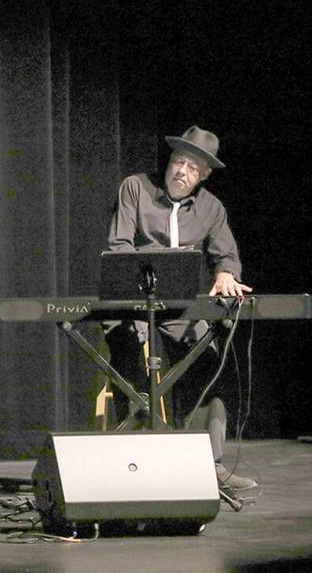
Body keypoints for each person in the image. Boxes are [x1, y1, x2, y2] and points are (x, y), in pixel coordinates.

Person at [104, 125, 257, 492]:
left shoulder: (211, 208)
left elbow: (226, 256)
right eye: (179, 161)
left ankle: (207, 463)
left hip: (180, 305)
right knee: (126, 343)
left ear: (203, 176)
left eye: (192, 167)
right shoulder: (136, 187)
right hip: (131, 298)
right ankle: (134, 461)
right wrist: (136, 289)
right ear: (170, 161)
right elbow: (119, 245)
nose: (182, 171)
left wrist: (225, 274)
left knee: (207, 356)